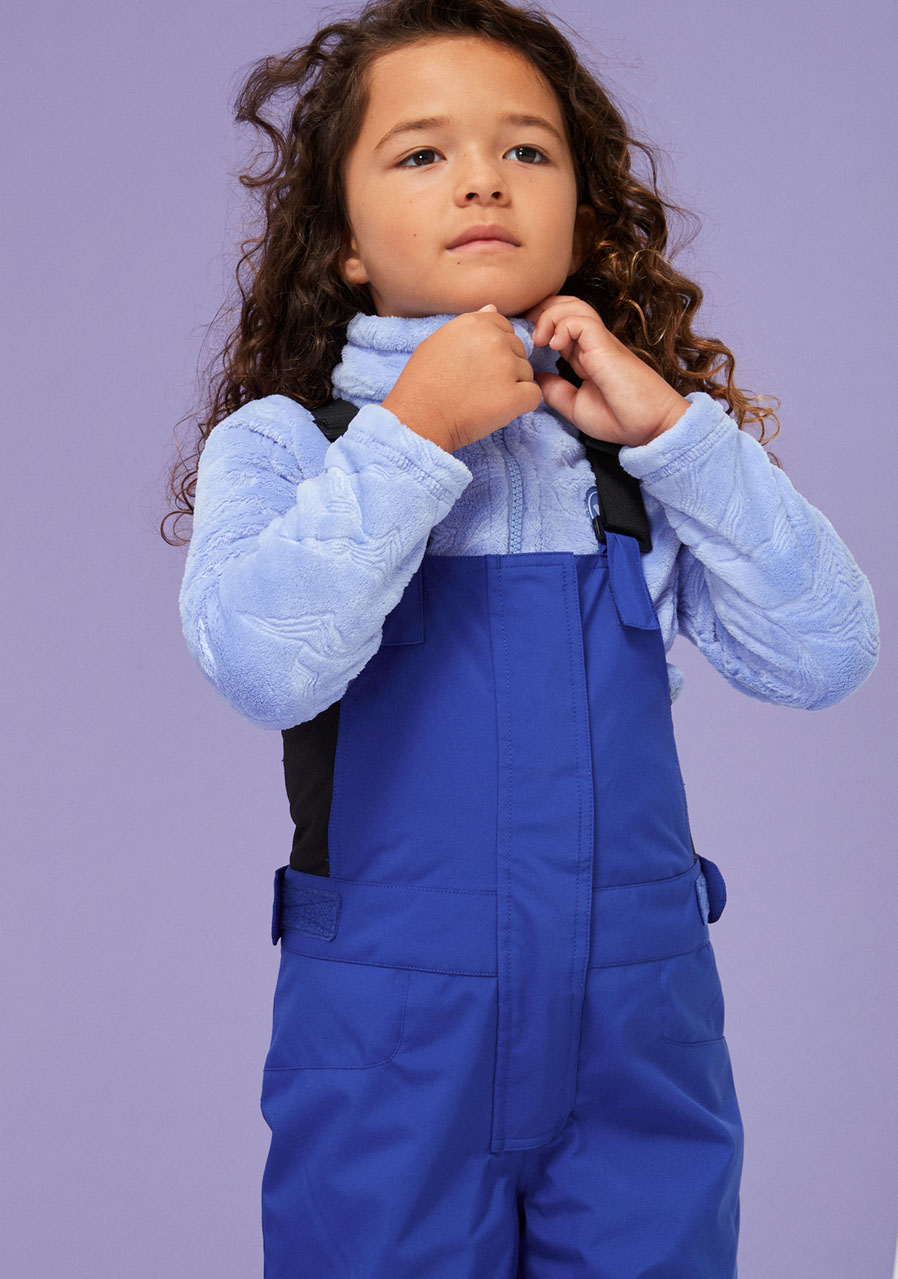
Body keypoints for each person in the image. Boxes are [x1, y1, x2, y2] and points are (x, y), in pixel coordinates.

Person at [165, 0, 879, 1274]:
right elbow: (265, 661)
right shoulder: (290, 447)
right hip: (395, 1044)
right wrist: (413, 433)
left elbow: (825, 652)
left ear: (584, 219)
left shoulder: (634, 451)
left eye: (526, 150)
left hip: (637, 1032)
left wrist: (678, 436)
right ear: (342, 243)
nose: (483, 177)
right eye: (421, 152)